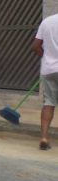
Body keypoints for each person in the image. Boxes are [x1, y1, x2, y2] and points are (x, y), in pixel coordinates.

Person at [32, 13, 58, 150]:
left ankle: (44, 137)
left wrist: (47, 58)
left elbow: (35, 46)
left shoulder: (47, 22)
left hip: (50, 69)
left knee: (49, 102)